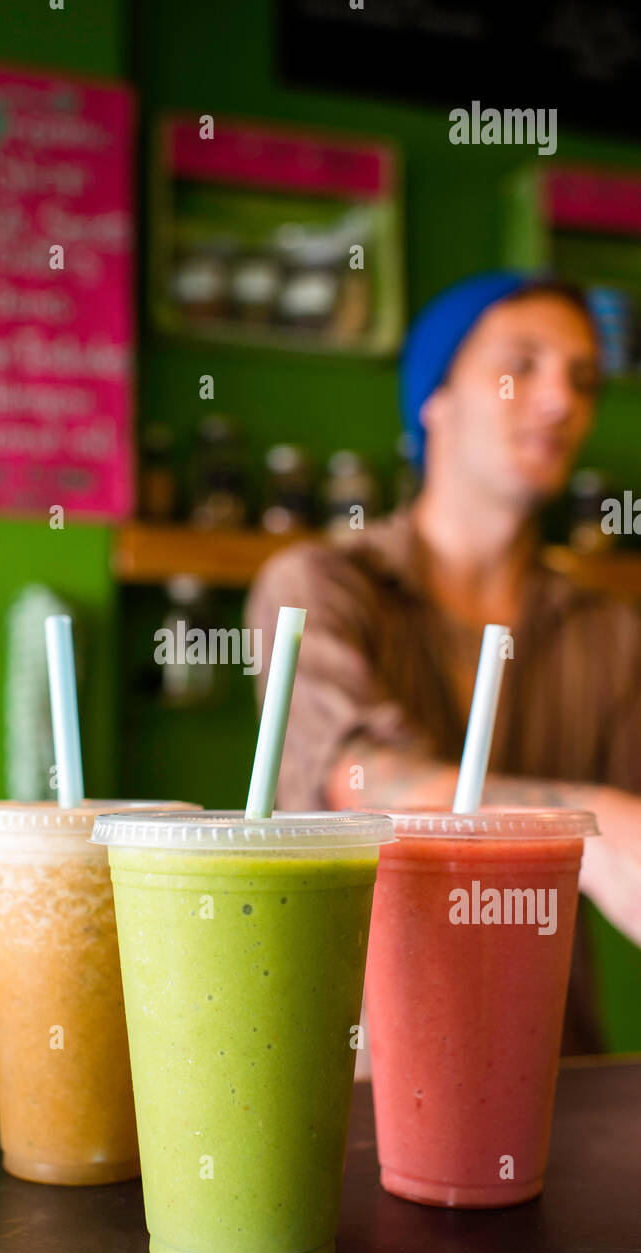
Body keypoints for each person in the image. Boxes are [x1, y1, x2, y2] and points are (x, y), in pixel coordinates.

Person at [246, 271, 641, 1059]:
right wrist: (584, 828)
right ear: (435, 398)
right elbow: (352, 780)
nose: (561, 401)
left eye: (581, 378)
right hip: (358, 1076)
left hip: (552, 1068)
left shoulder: (611, 632)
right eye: (521, 365)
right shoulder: (318, 588)